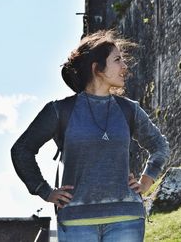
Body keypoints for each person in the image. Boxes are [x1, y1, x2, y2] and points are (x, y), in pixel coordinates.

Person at [11, 30, 170, 242]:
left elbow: (160, 146)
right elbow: (21, 149)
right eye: (117, 60)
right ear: (97, 68)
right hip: (77, 223)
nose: (125, 67)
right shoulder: (59, 111)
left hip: (127, 219)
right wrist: (44, 190)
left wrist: (146, 181)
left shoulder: (129, 110)